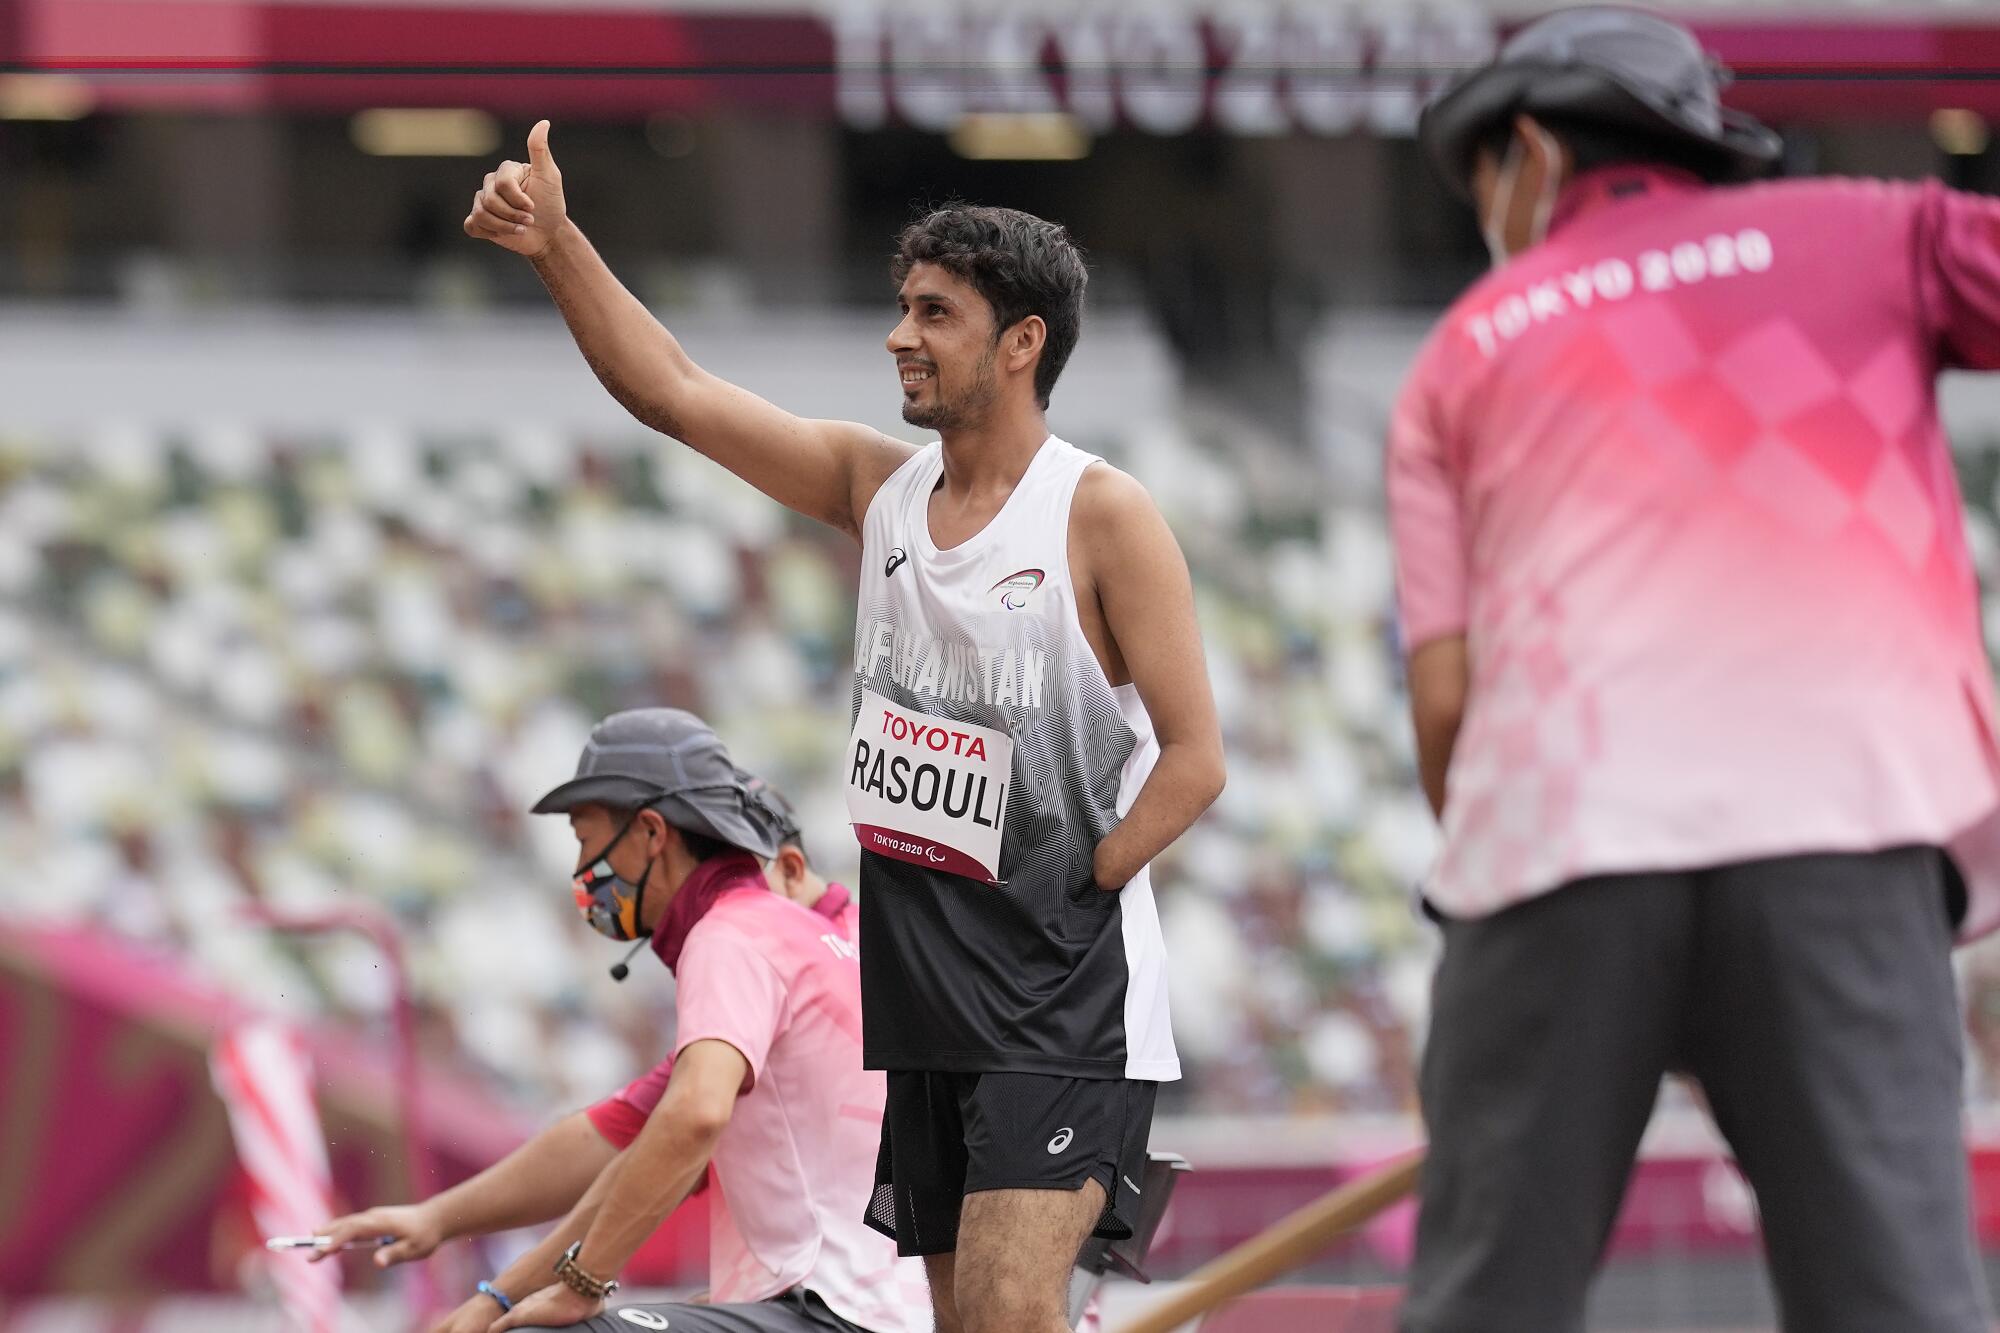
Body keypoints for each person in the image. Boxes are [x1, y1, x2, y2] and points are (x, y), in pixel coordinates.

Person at [463, 135, 1225, 1333]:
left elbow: (1194, 758)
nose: (898, 335)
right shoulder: (880, 492)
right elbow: (673, 392)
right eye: (899, 306)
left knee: (1008, 1317)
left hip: (1054, 1004)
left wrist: (1077, 885)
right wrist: (557, 245)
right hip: (920, 997)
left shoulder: (1098, 514)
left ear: (1021, 342)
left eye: (935, 312)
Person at [1390, 7, 2000, 1331]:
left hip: (1555, 847)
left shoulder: (1462, 349)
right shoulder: (1876, 228)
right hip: (1842, 833)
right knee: (1896, 1302)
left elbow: (1445, 702)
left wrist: (1535, 965)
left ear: (1535, 155)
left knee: (1483, 1307)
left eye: (1485, 180)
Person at [322, 709, 930, 1333]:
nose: (584, 870)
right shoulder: (804, 939)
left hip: (835, 1312)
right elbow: (617, 1148)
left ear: (651, 832)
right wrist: (477, 1270)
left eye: (586, 840)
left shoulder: (732, 934)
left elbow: (690, 1122)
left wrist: (581, 1283)